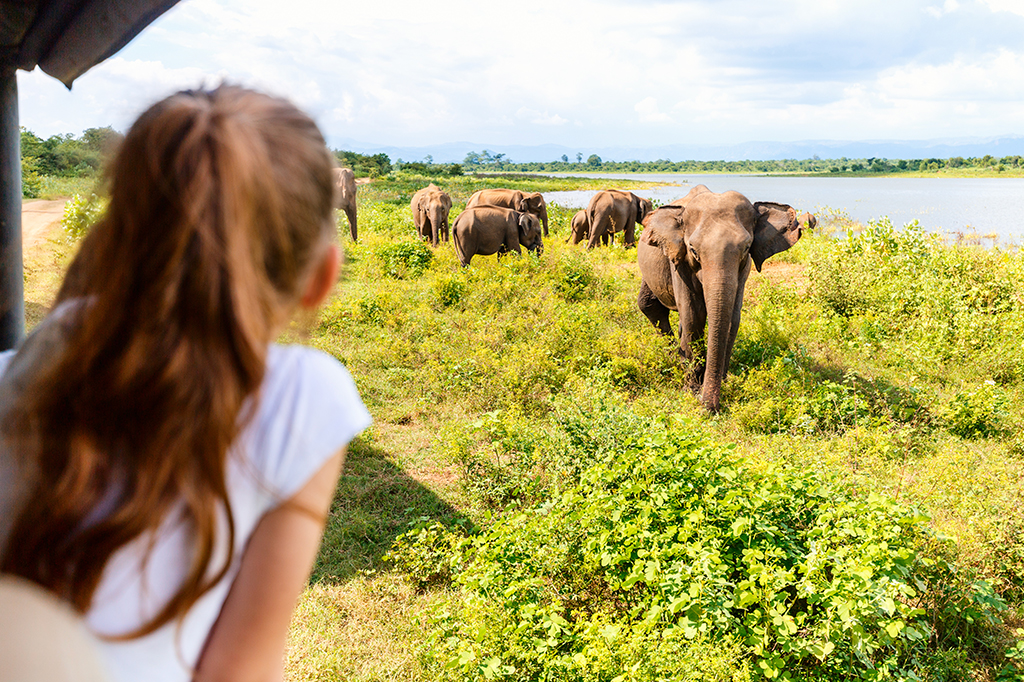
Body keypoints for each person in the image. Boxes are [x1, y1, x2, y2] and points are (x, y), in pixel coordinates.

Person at [0, 85, 371, 682]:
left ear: (115, 241)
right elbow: (239, 672)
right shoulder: (304, 394)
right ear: (321, 279)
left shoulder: (21, 367)